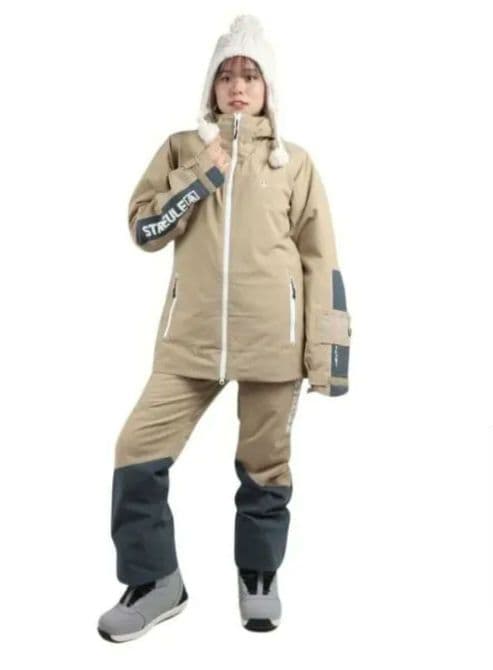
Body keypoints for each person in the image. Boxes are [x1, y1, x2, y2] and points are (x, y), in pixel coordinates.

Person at [97, 14, 352, 641]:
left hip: (273, 344)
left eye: (251, 76)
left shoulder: (294, 164)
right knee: (135, 452)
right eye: (227, 76)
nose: (238, 87)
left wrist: (329, 354)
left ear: (269, 89)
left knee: (265, 466)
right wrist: (200, 176)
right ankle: (157, 582)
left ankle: (258, 576)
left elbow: (321, 260)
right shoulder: (182, 148)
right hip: (190, 343)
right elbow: (145, 231)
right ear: (211, 86)